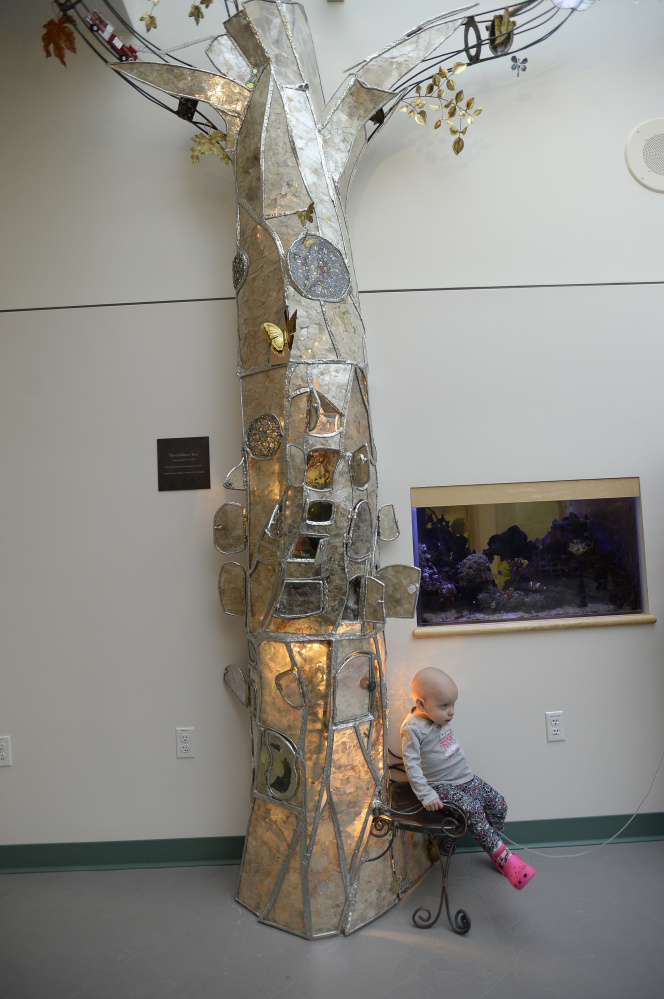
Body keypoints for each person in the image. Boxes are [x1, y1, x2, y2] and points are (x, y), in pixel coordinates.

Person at [400, 666, 535, 890]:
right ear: (422, 705)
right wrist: (426, 794)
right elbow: (411, 765)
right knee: (472, 810)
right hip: (442, 787)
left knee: (498, 803)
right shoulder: (413, 728)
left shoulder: (437, 716)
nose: (451, 712)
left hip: (466, 779)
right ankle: (505, 859)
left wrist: (441, 709)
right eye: (445, 706)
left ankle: (496, 847)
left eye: (453, 704)